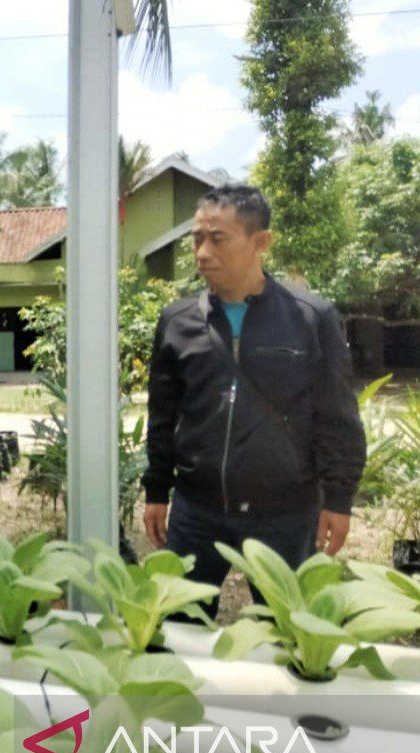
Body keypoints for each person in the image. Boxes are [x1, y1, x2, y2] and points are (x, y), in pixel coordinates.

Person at [142, 184, 365, 615]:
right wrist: (156, 489)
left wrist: (339, 500)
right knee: (175, 631)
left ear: (261, 242)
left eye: (217, 238)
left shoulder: (310, 318)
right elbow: (163, 414)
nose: (202, 252)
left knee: (290, 635)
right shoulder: (178, 320)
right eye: (197, 239)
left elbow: (336, 416)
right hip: (197, 510)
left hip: (284, 515)